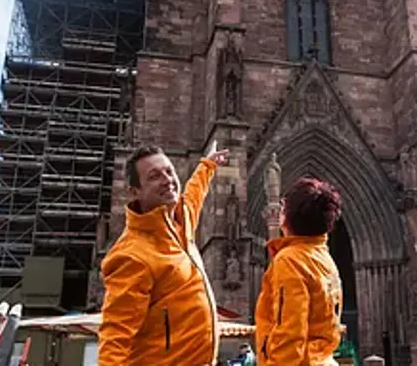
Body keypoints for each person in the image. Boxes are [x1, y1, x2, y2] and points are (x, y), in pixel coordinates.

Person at [98, 141, 229, 366]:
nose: (167, 180)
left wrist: (207, 166)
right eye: (154, 176)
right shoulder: (131, 255)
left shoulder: (180, 220)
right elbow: (116, 333)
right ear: (134, 192)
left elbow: (194, 194)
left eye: (169, 171)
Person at [254, 177, 343, 365]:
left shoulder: (290, 260)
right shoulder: (324, 258)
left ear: (288, 218)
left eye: (283, 207)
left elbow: (289, 331)